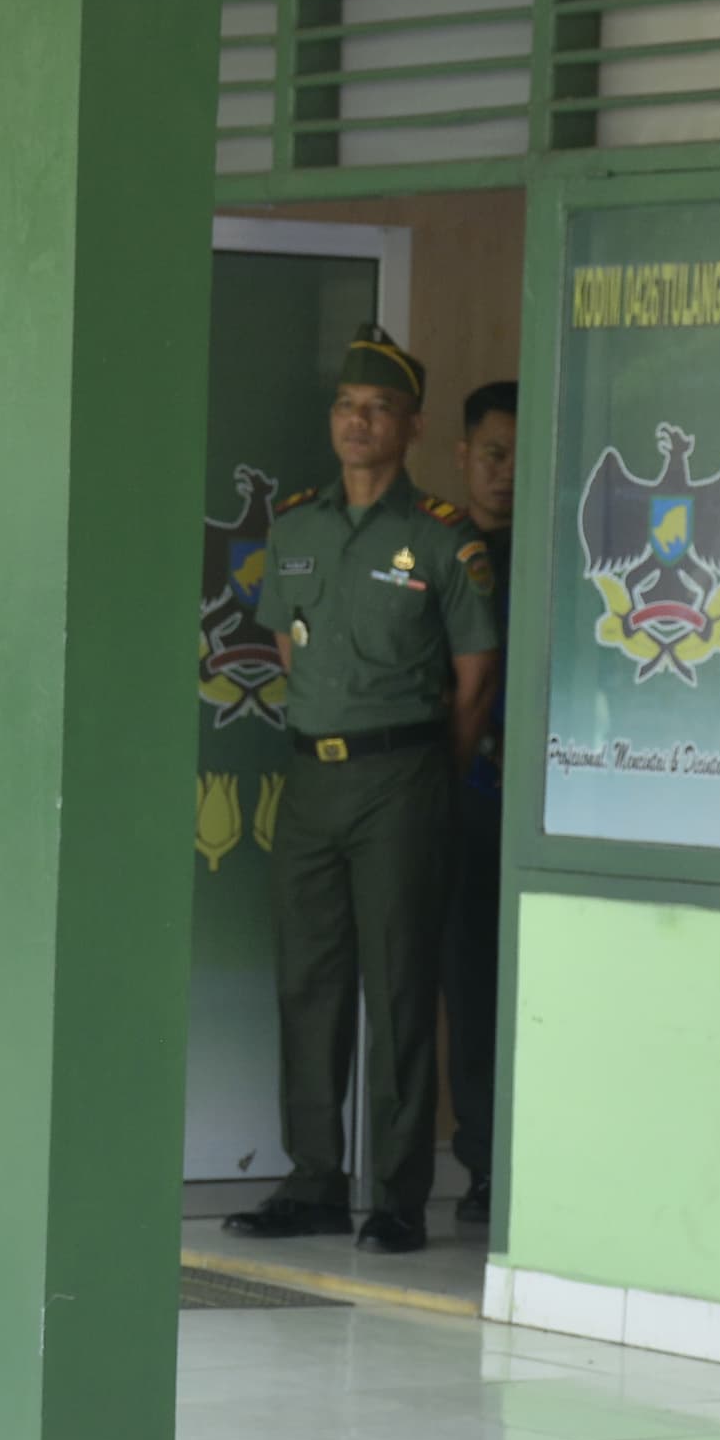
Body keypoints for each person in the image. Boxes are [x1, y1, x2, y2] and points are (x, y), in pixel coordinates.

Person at [224, 326, 500, 1255]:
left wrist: (427, 763)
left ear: (412, 426)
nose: (358, 421)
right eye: (346, 406)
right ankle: (311, 1179)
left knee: (399, 987)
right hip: (309, 778)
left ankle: (395, 1194)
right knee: (308, 983)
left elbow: (474, 676)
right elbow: (282, 646)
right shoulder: (295, 525)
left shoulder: (441, 540)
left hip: (402, 778)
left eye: (378, 408)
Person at [443, 378, 520, 1231]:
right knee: (469, 987)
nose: (504, 474)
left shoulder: (560, 551)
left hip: (546, 798)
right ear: (463, 455)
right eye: (492, 455)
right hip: (461, 797)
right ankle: (481, 1164)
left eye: (519, 458)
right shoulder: (433, 548)